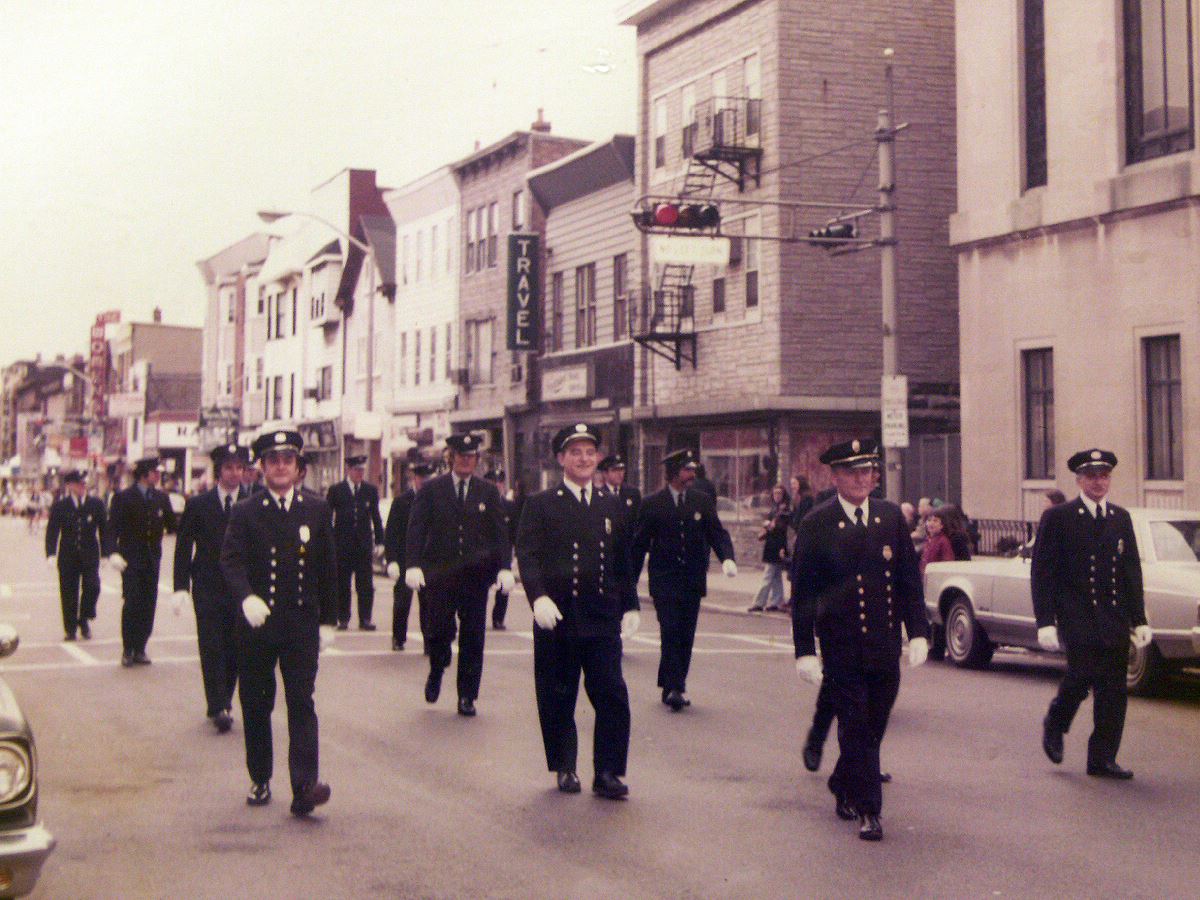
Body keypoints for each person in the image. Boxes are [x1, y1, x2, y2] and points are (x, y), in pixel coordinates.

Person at [792, 439, 928, 842]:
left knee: (876, 722)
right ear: (834, 477)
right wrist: (805, 652)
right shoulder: (817, 524)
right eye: (853, 472)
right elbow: (803, 595)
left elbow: (907, 580)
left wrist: (918, 631)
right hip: (842, 646)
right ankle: (869, 808)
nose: (862, 479)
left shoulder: (889, 517)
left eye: (869, 471)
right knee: (856, 727)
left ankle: (841, 781)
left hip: (884, 644)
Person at [515, 423, 640, 799]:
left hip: (601, 617)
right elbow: (529, 555)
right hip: (559, 616)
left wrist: (630, 605)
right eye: (576, 453)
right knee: (559, 695)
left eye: (590, 452)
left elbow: (622, 561)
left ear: (597, 459)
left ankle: (608, 772)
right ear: (561, 459)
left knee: (612, 695)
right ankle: (565, 766)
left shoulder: (611, 504)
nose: (584, 459)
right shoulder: (541, 504)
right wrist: (538, 597)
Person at [220, 428, 338, 815]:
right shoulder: (245, 511)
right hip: (258, 625)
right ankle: (260, 777)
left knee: (302, 701)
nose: (281, 467)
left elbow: (327, 567)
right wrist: (246, 597)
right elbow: (231, 561)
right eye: (273, 461)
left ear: (299, 468)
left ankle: (305, 786)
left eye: (288, 460)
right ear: (263, 468)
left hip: (301, 623)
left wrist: (329, 620)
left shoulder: (316, 509)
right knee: (257, 702)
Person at [1033, 448, 1150, 780]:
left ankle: (1102, 758)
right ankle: (1056, 722)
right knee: (1081, 675)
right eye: (1092, 476)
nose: (1099, 482)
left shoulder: (1119, 517)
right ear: (1079, 480)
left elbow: (1131, 572)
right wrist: (1045, 622)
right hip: (1076, 615)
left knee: (1113, 689)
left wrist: (1139, 618)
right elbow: (1043, 573)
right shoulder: (1059, 517)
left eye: (1104, 476)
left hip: (1114, 616)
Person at [405, 433, 512, 717]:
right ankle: (437, 668)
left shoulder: (488, 491)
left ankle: (467, 695)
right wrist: (413, 564)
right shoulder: (432, 489)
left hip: (476, 578)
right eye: (461, 457)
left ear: (477, 460)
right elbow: (416, 528)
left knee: (474, 637)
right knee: (439, 631)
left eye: (471, 457)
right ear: (451, 458)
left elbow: (500, 534)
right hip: (441, 576)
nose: (466, 462)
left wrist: (504, 567)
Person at [632, 448, 737, 711]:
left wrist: (727, 558)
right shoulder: (653, 503)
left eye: (693, 470)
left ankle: (670, 684)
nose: (692, 475)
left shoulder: (702, 501)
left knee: (685, 634)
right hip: (664, 581)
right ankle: (676, 687)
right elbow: (639, 544)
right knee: (670, 630)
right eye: (687, 470)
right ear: (673, 473)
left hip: (692, 580)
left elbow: (717, 533)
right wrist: (627, 584)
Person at [171, 444, 250, 733]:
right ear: (219, 471)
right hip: (207, 586)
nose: (235, 473)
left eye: (239, 467)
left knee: (235, 648)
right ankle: (217, 705)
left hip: (241, 588)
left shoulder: (252, 502)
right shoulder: (199, 504)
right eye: (229, 467)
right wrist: (180, 587)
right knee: (211, 645)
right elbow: (183, 549)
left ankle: (225, 699)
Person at [105, 456, 176, 667]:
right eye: (155, 472)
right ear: (144, 474)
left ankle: (141, 647)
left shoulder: (161, 498)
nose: (158, 476)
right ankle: (128, 648)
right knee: (132, 602)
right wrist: (112, 552)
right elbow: (111, 528)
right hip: (131, 560)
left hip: (152, 559)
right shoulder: (123, 497)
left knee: (148, 603)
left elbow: (173, 524)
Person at [45, 470, 108, 641]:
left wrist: (106, 553)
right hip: (68, 555)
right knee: (68, 592)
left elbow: (104, 529)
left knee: (93, 586)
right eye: (78, 483)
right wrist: (51, 553)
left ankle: (84, 617)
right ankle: (70, 628)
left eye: (83, 483)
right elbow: (52, 531)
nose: (82, 486)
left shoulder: (96, 504)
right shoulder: (61, 506)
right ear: (70, 485)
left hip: (89, 554)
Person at [326, 455, 385, 631]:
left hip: (363, 546)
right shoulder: (336, 490)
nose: (360, 473)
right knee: (343, 583)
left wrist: (380, 541)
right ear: (349, 470)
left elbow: (376, 517)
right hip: (342, 545)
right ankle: (342, 617)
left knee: (365, 584)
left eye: (362, 470)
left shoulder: (370, 490)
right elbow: (328, 518)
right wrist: (328, 542)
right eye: (357, 470)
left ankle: (365, 618)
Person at [384, 462, 435, 650]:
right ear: (415, 479)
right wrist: (392, 561)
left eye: (427, 479)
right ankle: (398, 638)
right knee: (402, 602)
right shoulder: (402, 501)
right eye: (421, 478)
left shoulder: (435, 499)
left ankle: (429, 641)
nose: (424, 482)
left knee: (428, 603)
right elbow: (391, 533)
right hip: (405, 558)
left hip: (427, 560)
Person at [483, 468, 517, 630]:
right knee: (479, 589)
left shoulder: (510, 506)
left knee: (504, 588)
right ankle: (476, 616)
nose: (497, 486)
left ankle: (498, 618)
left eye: (500, 483)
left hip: (503, 554)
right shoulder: (481, 505)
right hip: (483, 554)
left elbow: (515, 531)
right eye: (493, 483)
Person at [749, 484, 791, 612]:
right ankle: (777, 601)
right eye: (775, 493)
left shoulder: (785, 510)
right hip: (772, 543)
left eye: (779, 493)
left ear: (784, 495)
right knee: (776, 575)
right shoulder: (774, 509)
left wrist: (770, 525)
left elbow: (781, 526)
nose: (777, 496)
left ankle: (759, 602)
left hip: (778, 544)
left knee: (768, 575)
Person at [597, 454, 642, 533]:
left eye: (621, 469)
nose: (619, 473)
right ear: (605, 473)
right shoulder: (599, 495)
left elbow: (639, 521)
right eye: (614, 470)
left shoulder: (633, 493)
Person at [918, 506, 956, 577]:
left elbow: (948, 562)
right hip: (925, 575)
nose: (931, 523)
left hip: (936, 576)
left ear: (942, 525)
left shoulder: (943, 541)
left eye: (935, 520)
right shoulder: (928, 540)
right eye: (929, 520)